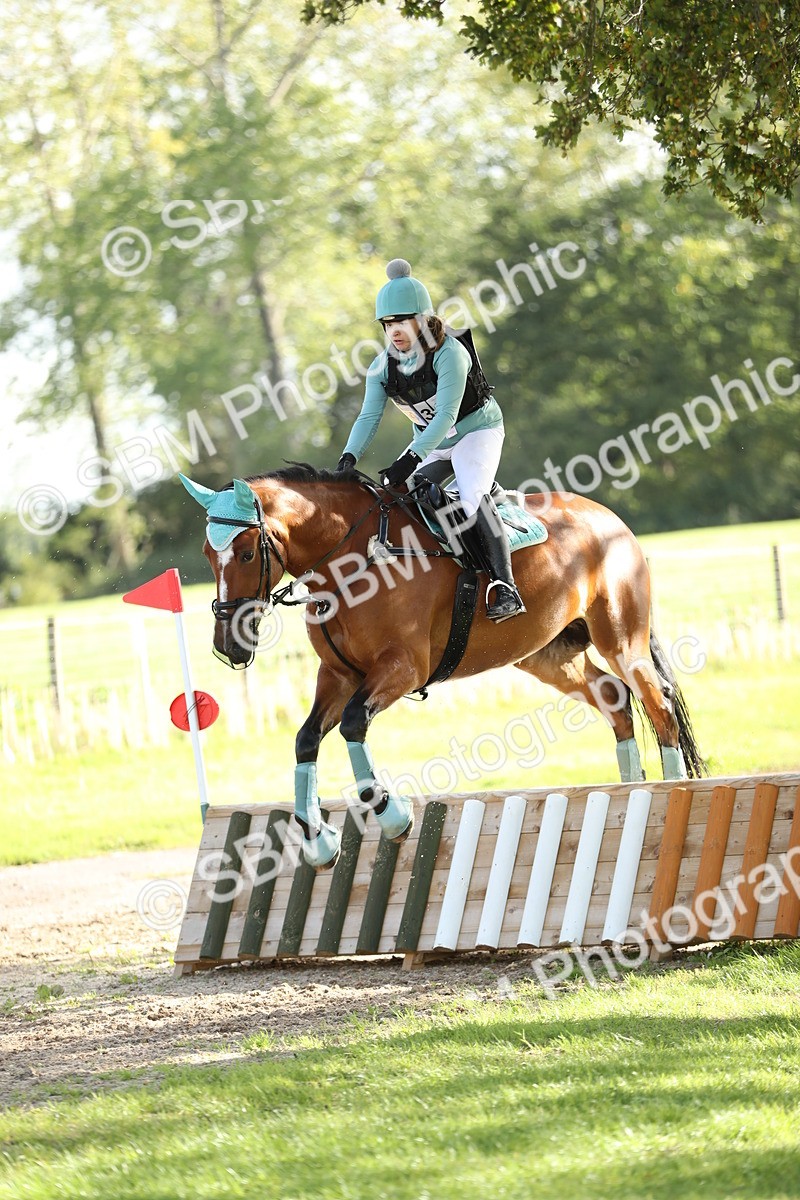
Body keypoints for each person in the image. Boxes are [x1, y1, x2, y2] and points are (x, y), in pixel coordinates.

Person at [335, 258, 525, 622]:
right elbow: (369, 417)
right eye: (387, 324)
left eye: (402, 321)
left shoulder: (450, 353)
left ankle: (506, 586)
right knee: (395, 498)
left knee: (471, 500)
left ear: (423, 319)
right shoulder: (381, 367)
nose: (394, 331)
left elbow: (447, 417)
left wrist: (409, 458)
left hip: (476, 432)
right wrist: (349, 456)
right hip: (433, 442)